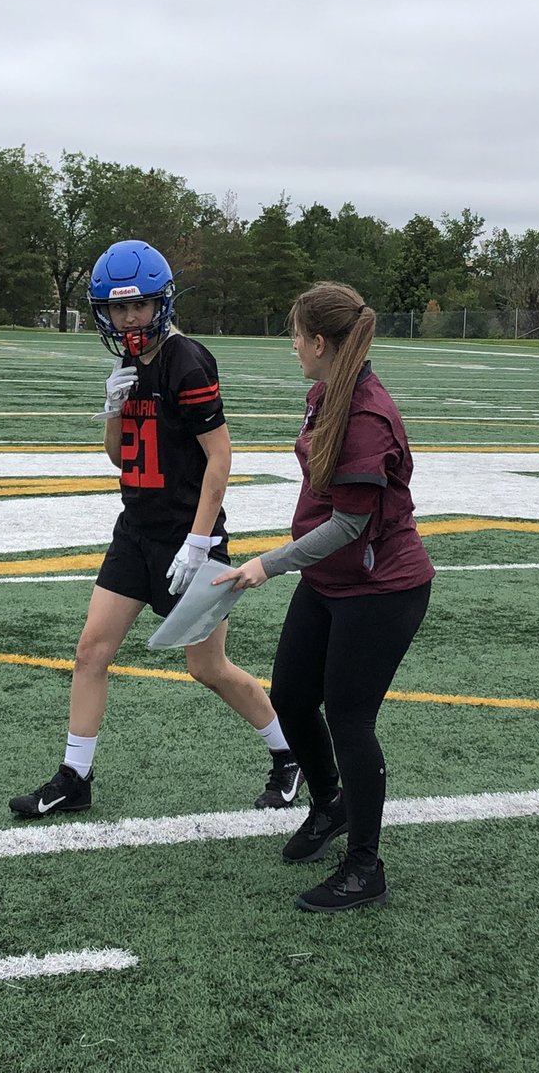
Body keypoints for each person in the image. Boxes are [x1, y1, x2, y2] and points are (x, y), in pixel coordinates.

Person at [9, 239, 303, 820]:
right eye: (117, 309)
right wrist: (112, 411)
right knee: (91, 650)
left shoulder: (186, 360)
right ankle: (76, 776)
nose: (128, 319)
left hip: (188, 535)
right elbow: (119, 459)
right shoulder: (126, 365)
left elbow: (220, 458)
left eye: (138, 306)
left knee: (207, 668)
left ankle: (289, 756)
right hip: (136, 530)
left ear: (160, 303)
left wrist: (199, 540)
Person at [213, 281, 434, 913]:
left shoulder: (365, 412)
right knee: (290, 696)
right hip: (332, 579)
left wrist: (268, 564)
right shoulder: (327, 393)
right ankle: (329, 802)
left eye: (295, 335)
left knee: (349, 717)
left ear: (318, 341)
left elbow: (350, 524)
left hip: (381, 587)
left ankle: (366, 864)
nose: (291, 347)